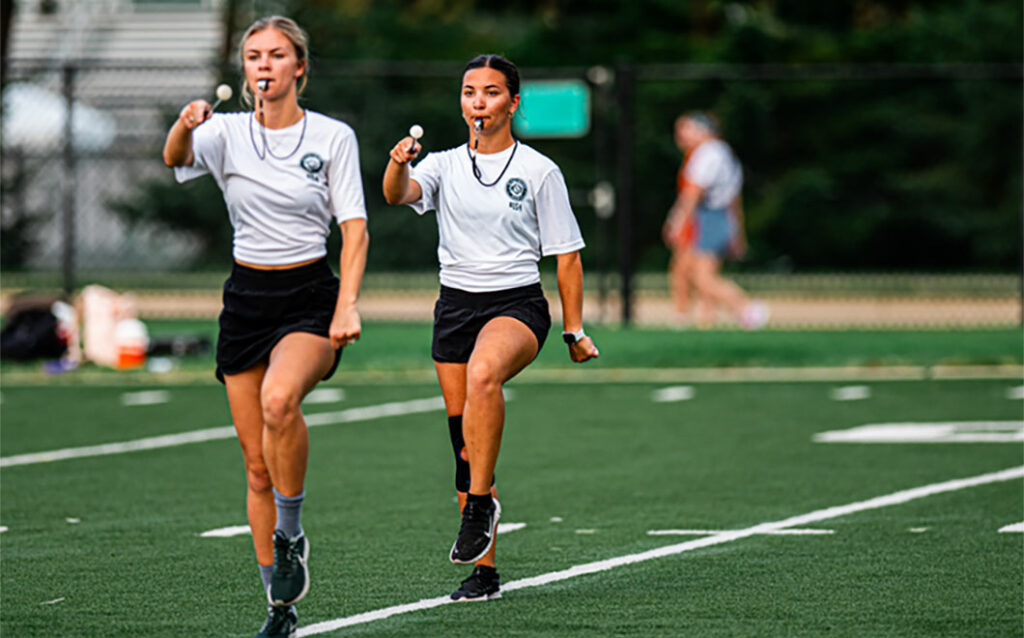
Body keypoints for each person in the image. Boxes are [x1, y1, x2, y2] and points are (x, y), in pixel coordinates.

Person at [162, 15, 368, 638]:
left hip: (309, 296)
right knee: (255, 467)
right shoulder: (222, 131)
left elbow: (354, 227)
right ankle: (279, 610)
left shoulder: (333, 137)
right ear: (245, 69)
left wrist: (347, 304)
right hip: (246, 298)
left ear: (299, 67)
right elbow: (174, 158)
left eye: (277, 55)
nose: (264, 66)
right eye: (254, 56)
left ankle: (292, 531)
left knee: (281, 400)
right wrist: (183, 123)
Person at [382, 54, 600, 602]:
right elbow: (396, 195)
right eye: (469, 92)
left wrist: (573, 331)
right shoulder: (442, 165)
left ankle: (480, 503)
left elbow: (567, 256)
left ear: (513, 103)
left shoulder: (539, 171)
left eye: (491, 93)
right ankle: (484, 573)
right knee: (465, 446)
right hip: (454, 307)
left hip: (517, 305)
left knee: (484, 375)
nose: (478, 102)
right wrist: (398, 164)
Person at [662, 112, 767, 329]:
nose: (680, 136)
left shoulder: (709, 153)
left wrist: (678, 221)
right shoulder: (720, 153)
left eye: (685, 129)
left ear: (702, 130)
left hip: (709, 216)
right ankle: (702, 321)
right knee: (685, 269)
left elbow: (694, 192)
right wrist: (737, 230)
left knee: (702, 277)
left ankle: (746, 308)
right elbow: (734, 199)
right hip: (713, 216)